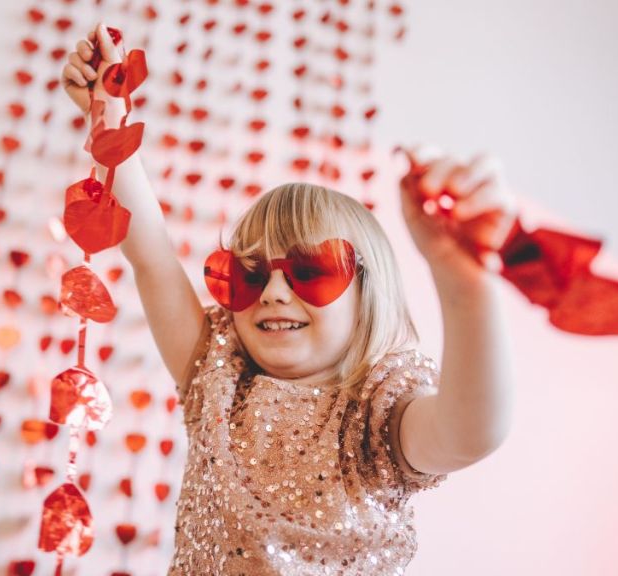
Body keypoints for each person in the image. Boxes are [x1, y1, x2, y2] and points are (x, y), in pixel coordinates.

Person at [63, 22, 516, 575]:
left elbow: (470, 432)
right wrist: (108, 116)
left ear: (368, 294)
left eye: (310, 272)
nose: (274, 292)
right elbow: (152, 253)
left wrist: (463, 281)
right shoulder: (216, 380)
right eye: (248, 275)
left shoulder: (377, 416)